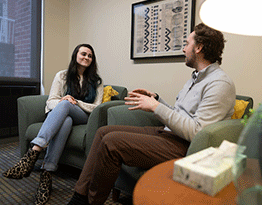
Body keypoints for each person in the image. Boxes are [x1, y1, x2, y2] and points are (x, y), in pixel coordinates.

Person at [68, 23, 236, 205]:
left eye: (187, 43)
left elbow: (197, 132)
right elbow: (180, 114)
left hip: (185, 146)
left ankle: (92, 202)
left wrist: (156, 107)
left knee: (111, 143)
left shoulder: (220, 83)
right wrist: (156, 99)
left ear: (199, 47)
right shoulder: (195, 78)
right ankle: (79, 196)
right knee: (103, 132)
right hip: (169, 134)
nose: (184, 48)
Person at [2, 44, 104, 205]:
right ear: (75, 55)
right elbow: (51, 101)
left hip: (84, 116)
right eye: (83, 54)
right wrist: (66, 103)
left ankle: (34, 151)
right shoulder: (62, 76)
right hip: (66, 114)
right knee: (66, 119)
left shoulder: (97, 81)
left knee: (66, 103)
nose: (86, 57)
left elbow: (97, 108)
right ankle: (46, 175)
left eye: (90, 56)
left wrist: (74, 102)